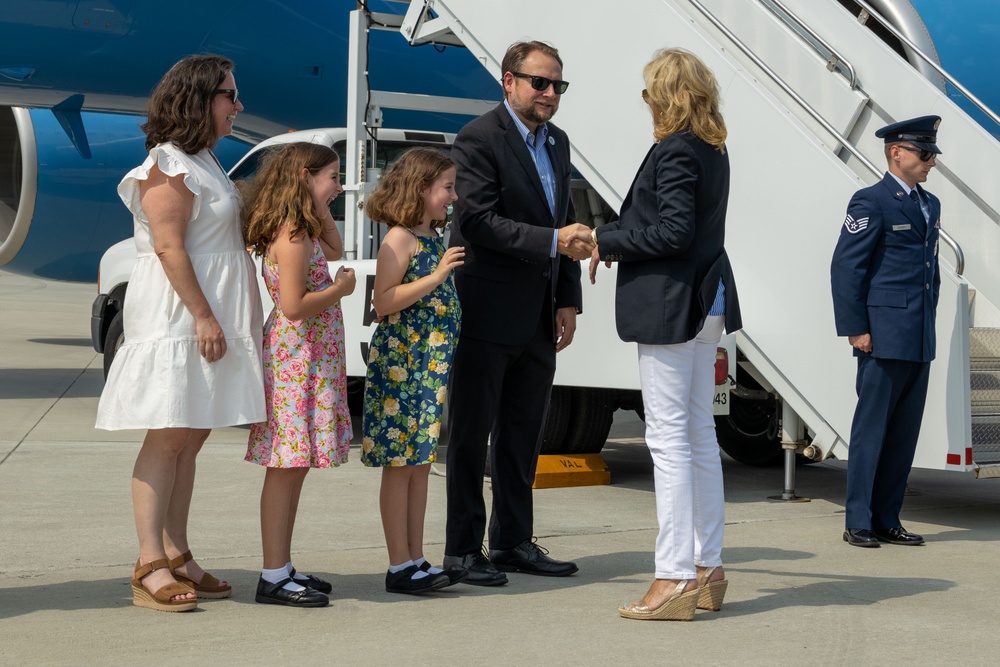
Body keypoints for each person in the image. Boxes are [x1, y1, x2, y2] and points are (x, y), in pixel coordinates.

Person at [95, 54, 264, 612]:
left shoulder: (207, 159)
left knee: (191, 437)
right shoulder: (167, 165)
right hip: (179, 316)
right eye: (229, 95)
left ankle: (177, 551)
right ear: (197, 98)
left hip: (207, 314)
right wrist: (204, 315)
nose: (237, 106)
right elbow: (169, 246)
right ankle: (148, 562)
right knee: (168, 437)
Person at [589, 48, 741, 621]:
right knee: (698, 435)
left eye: (649, 90)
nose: (646, 100)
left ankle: (674, 576)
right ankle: (709, 566)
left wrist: (607, 240)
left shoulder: (675, 149)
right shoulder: (713, 148)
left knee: (669, 440)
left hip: (674, 304)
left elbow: (673, 230)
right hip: (707, 301)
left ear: (665, 94)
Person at [443, 40, 595, 586]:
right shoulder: (479, 138)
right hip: (486, 309)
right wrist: (554, 240)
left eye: (558, 85)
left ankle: (511, 542)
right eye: (540, 83)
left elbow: (566, 218)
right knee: (469, 433)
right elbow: (477, 221)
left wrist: (567, 298)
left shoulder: (557, 142)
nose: (551, 94)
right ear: (509, 82)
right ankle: (461, 550)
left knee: (522, 433)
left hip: (538, 311)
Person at [243, 142, 357, 606]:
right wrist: (342, 289)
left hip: (310, 359)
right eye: (332, 176)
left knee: (297, 464)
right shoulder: (291, 235)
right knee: (285, 467)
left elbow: (335, 244)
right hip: (296, 360)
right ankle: (273, 574)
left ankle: (283, 565)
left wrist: (317, 201)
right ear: (306, 175)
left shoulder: (304, 228)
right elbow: (292, 306)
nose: (341, 185)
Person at [831, 116, 942, 549]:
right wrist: (856, 328)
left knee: (903, 433)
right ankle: (858, 520)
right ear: (897, 152)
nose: (931, 161)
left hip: (917, 336)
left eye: (932, 153)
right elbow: (847, 267)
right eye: (924, 153)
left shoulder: (929, 203)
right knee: (872, 430)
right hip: (880, 335)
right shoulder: (870, 201)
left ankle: (887, 519)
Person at [361, 148, 465, 595]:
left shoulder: (430, 236)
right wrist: (437, 276)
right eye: (446, 188)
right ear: (421, 189)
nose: (453, 197)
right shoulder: (400, 239)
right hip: (403, 369)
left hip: (427, 370)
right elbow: (383, 301)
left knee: (420, 462)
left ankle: (416, 557)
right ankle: (398, 563)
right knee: (399, 466)